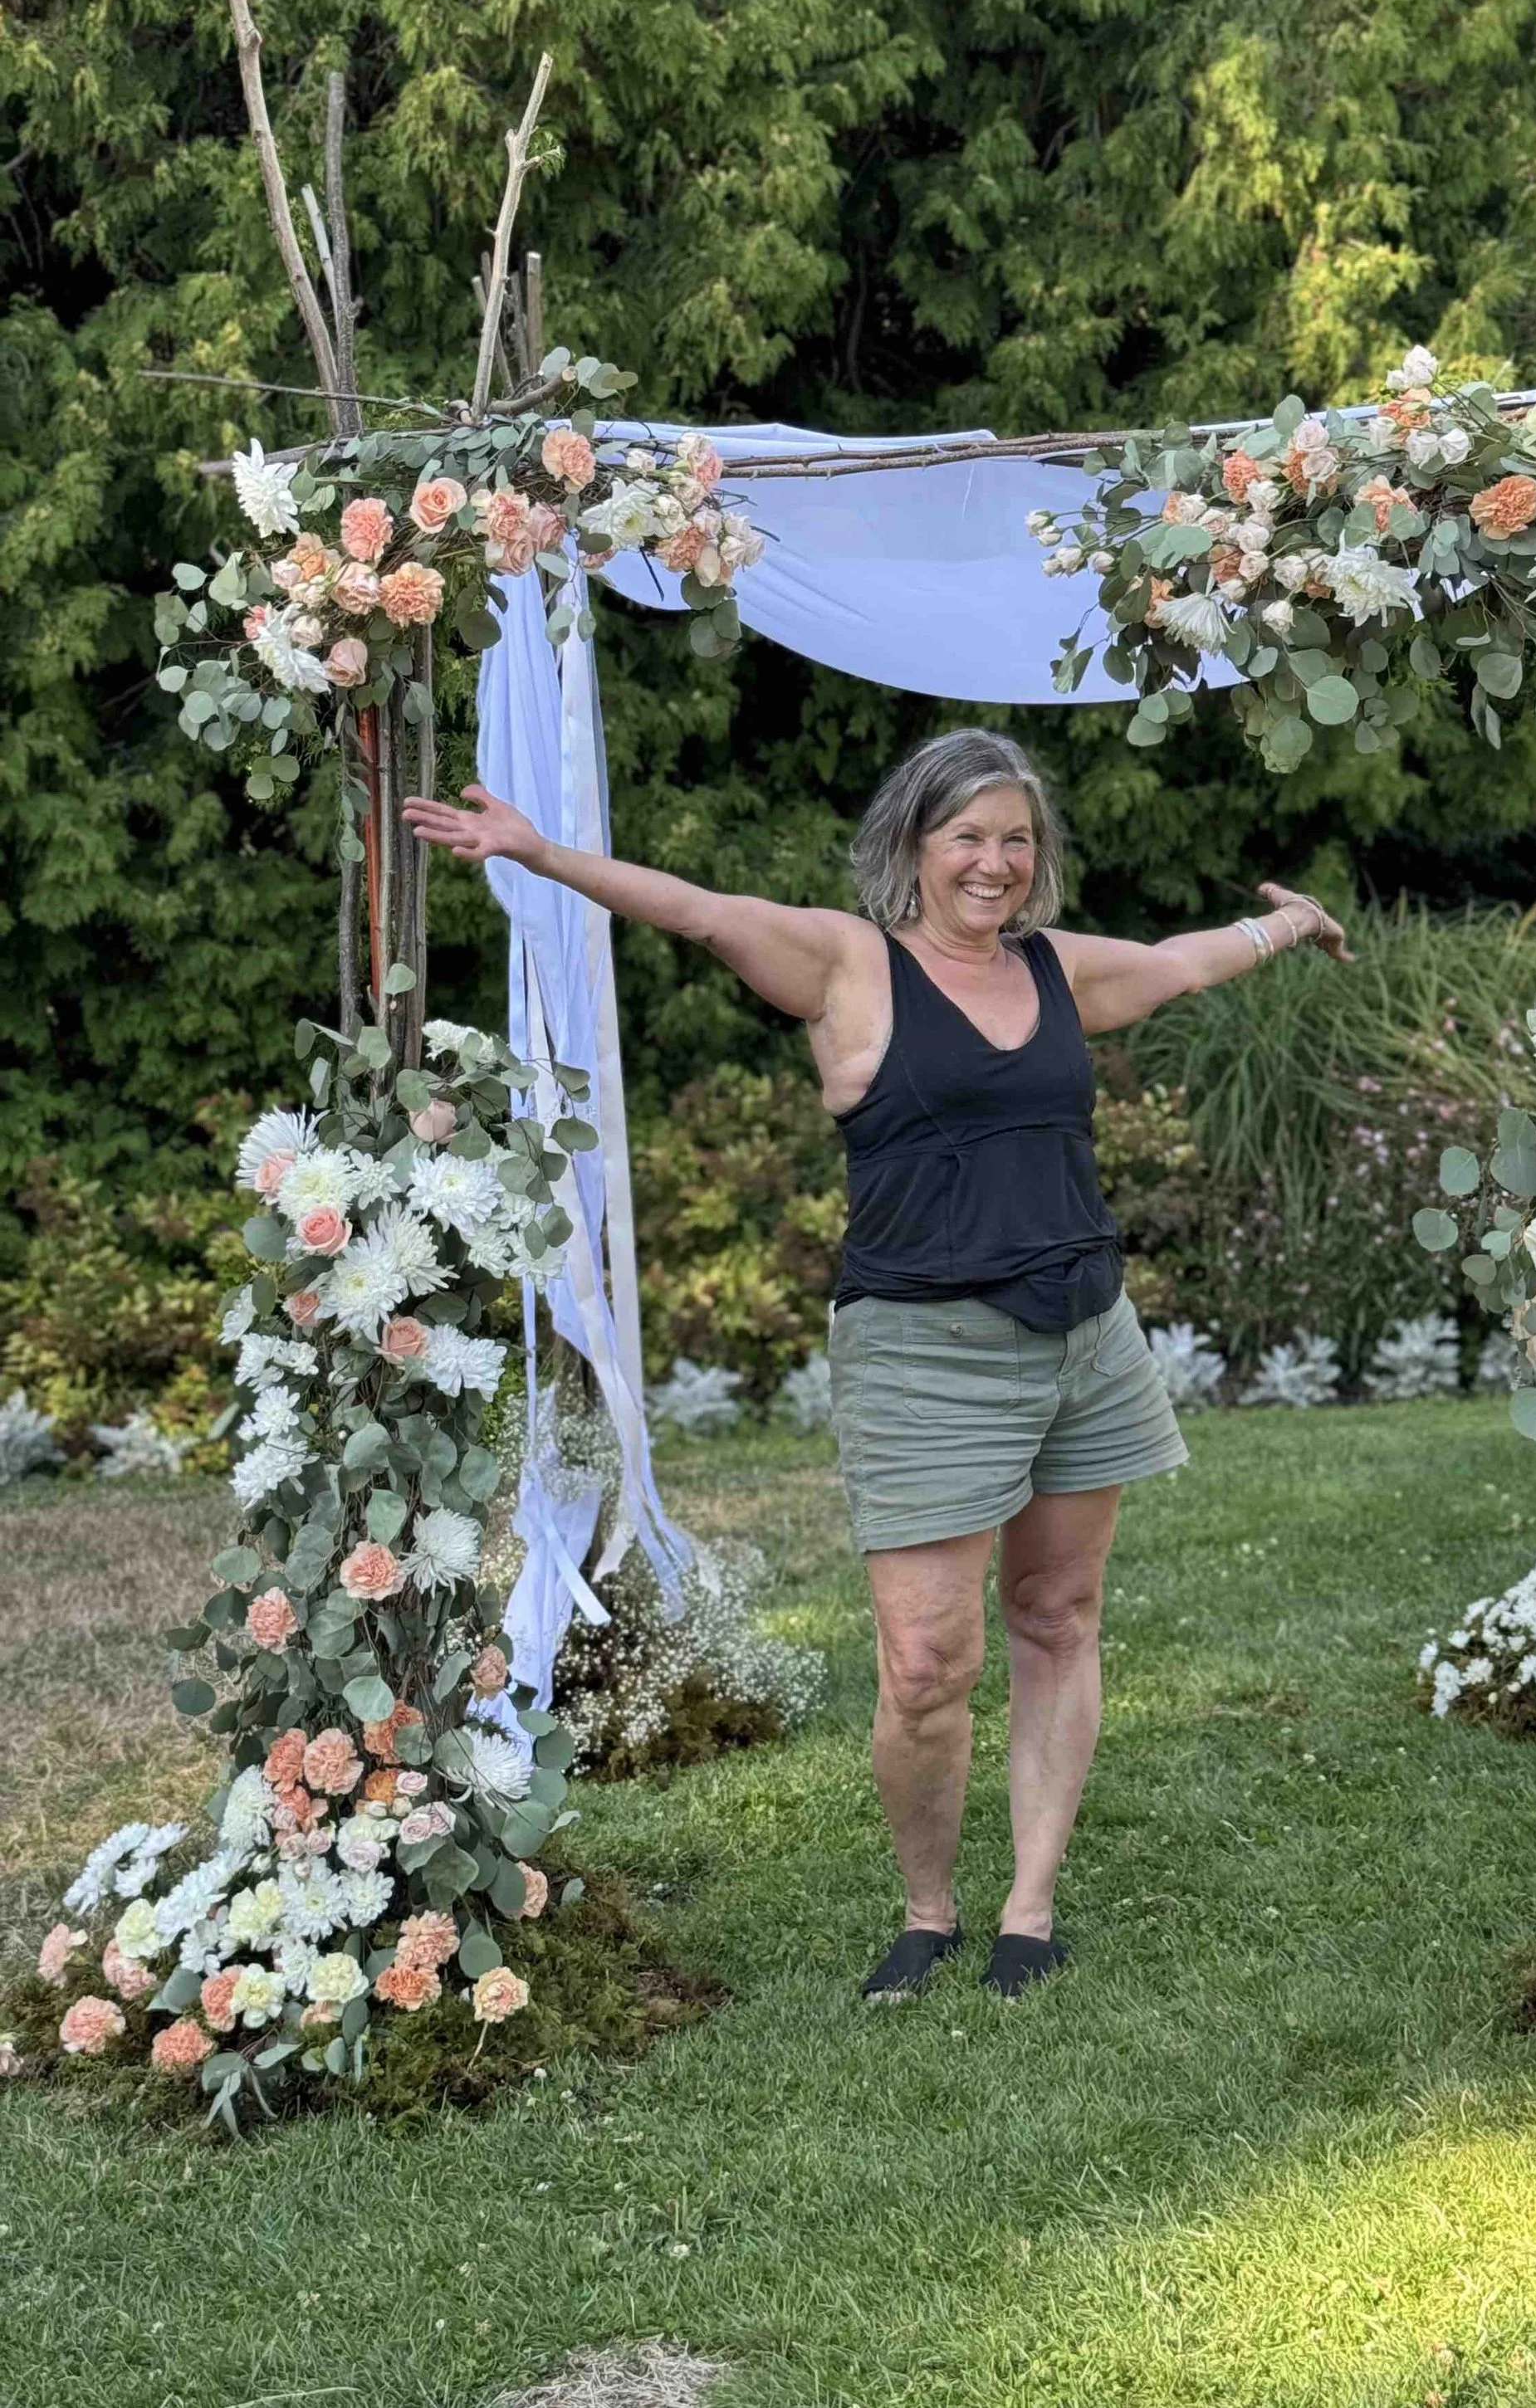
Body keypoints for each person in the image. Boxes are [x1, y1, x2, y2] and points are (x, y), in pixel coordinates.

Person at [406, 727, 1348, 2000]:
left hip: (1085, 1334)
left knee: (1060, 1616)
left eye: (1017, 840)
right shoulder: (852, 965)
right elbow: (696, 910)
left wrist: (1290, 927)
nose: (995, 863)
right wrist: (536, 851)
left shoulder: (1056, 968)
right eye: (969, 837)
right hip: (921, 1348)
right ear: (914, 845)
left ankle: (1030, 1908)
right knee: (925, 1666)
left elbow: (1183, 964)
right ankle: (926, 1909)